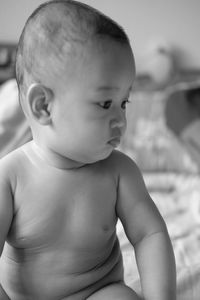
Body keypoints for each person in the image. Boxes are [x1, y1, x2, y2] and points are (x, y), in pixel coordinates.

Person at [0, 1, 176, 299]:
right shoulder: (10, 177)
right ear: (43, 106)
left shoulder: (120, 171)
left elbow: (150, 235)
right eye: (106, 103)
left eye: (124, 103)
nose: (121, 119)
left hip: (96, 291)